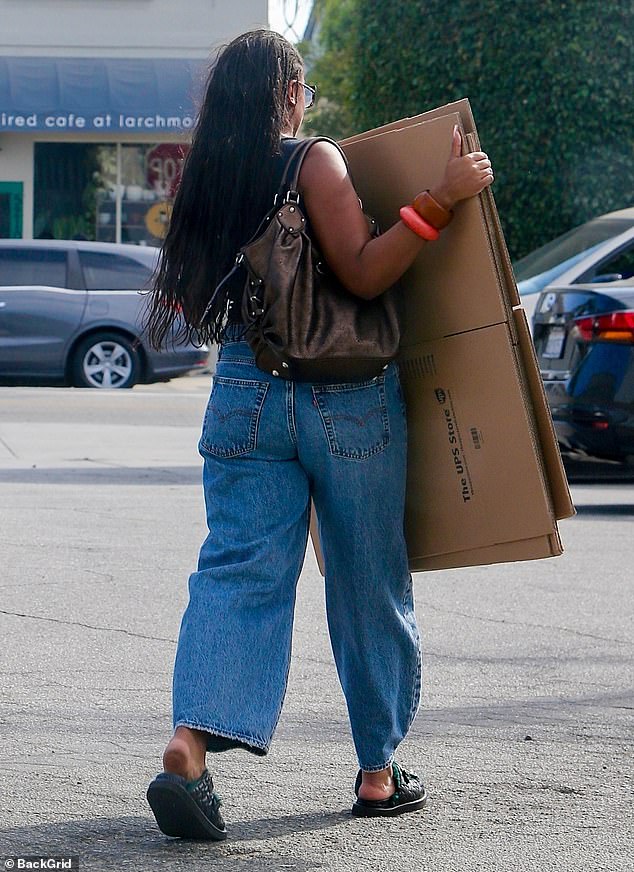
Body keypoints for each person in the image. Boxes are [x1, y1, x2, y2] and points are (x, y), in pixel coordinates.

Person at [144, 29, 494, 841]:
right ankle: (377, 772)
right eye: (300, 88)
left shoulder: (207, 178)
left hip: (241, 392)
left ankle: (189, 744)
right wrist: (441, 197)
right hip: (344, 398)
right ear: (288, 92)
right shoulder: (314, 162)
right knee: (366, 579)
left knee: (237, 573)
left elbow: (205, 304)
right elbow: (366, 270)